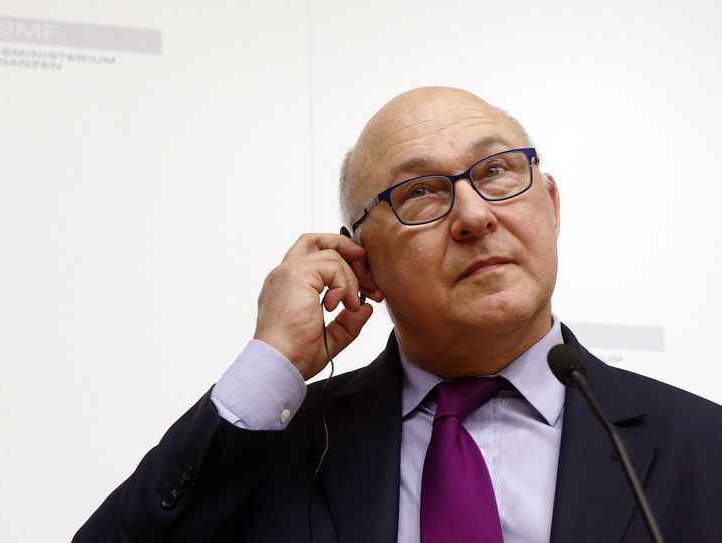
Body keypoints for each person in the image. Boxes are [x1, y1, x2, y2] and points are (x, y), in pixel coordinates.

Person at [74, 87, 722, 543]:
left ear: (550, 205)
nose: (473, 215)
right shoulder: (280, 447)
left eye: (497, 171)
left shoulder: (702, 447)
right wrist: (271, 362)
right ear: (365, 264)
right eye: (420, 193)